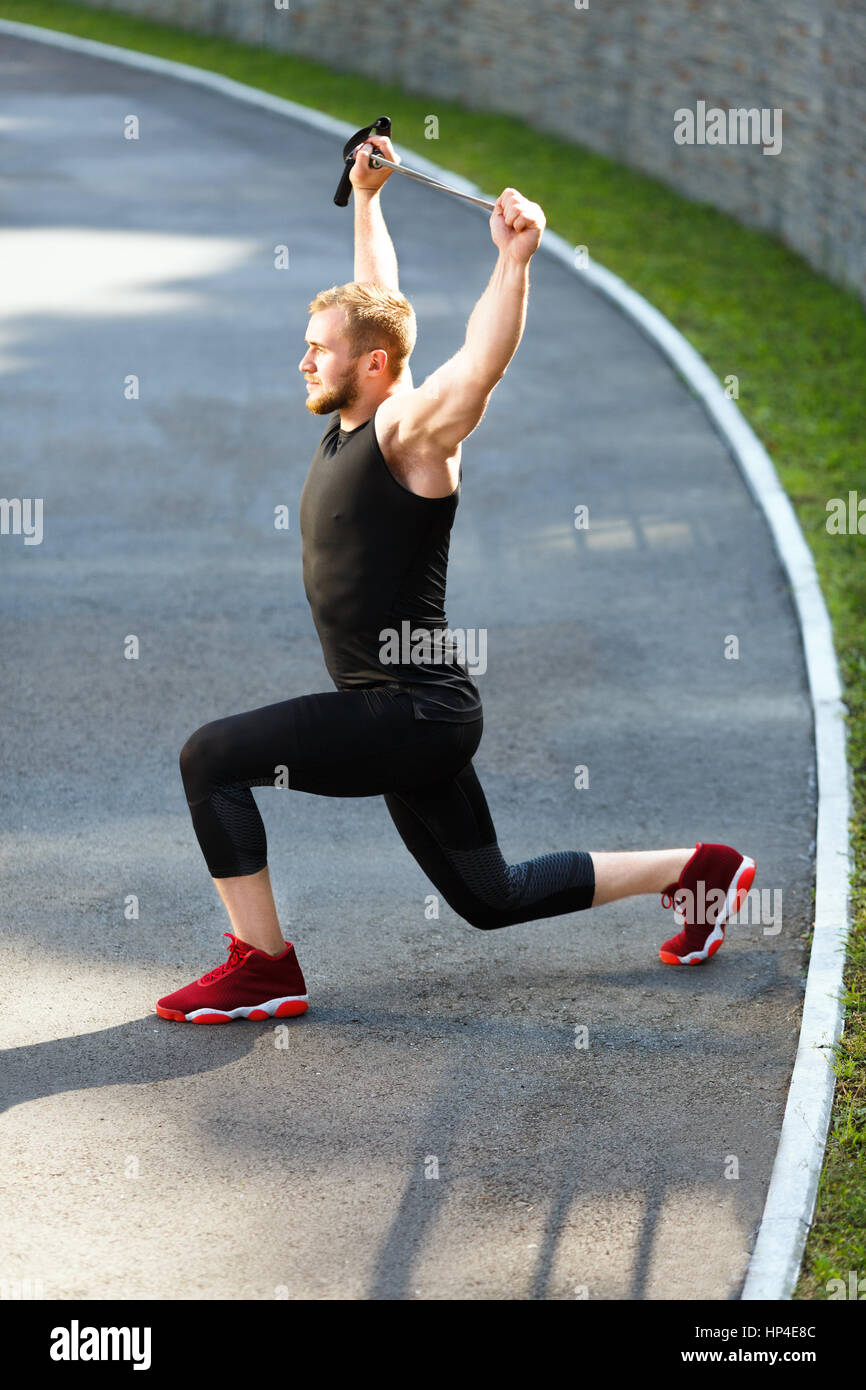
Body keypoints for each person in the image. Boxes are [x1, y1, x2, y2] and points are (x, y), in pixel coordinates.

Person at [157, 136, 755, 1023]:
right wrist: (369, 200)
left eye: (317, 349)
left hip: (409, 711)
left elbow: (481, 364)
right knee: (491, 896)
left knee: (212, 758)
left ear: (370, 365)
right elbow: (381, 301)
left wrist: (514, 264)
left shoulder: (413, 435)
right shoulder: (362, 407)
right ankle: (698, 869)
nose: (304, 360)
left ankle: (263, 965)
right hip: (413, 713)